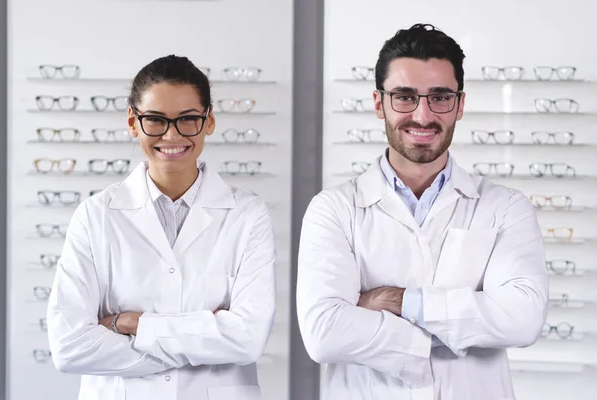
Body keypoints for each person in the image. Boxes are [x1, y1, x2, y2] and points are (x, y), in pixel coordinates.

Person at [297, 24, 548, 400]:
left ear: (459, 105)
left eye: (440, 97)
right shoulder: (333, 210)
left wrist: (395, 302)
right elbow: (323, 335)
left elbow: (523, 320)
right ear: (379, 103)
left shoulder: (505, 207)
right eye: (404, 97)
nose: (423, 115)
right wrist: (461, 327)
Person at [47, 55, 276, 400]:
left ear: (209, 121)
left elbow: (247, 340)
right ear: (133, 122)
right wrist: (204, 339)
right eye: (155, 120)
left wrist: (131, 324)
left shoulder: (247, 215)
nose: (172, 135)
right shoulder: (95, 216)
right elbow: (70, 347)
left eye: (188, 120)